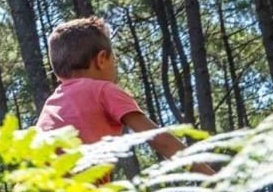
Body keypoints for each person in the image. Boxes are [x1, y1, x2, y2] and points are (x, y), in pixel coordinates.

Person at [35, 16, 199, 164]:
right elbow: (161, 141)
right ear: (102, 59)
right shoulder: (103, 90)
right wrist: (214, 181)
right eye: (115, 59)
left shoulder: (51, 104)